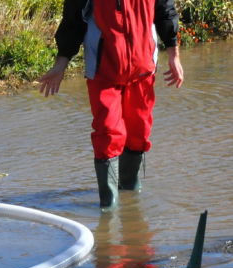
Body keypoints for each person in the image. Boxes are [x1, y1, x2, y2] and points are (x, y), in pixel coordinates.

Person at [39, 0, 184, 210]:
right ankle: (109, 205)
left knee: (139, 132)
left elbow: (165, 11)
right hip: (102, 70)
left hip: (143, 68)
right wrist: (60, 64)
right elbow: (73, 20)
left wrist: (174, 56)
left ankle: (131, 195)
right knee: (108, 133)